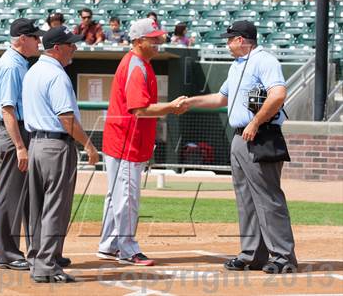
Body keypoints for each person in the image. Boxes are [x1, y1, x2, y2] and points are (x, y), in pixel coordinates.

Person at [183, 20, 298, 274]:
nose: (227, 43)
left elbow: (278, 95)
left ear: (241, 40)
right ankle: (252, 255)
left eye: (230, 39)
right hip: (240, 137)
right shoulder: (236, 66)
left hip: (261, 134)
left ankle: (283, 256)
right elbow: (220, 98)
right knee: (245, 199)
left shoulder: (264, 60)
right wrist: (190, 102)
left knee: (268, 198)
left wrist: (256, 122)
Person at [96, 18, 188, 266]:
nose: (159, 41)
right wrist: (170, 107)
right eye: (153, 38)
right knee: (126, 197)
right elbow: (139, 109)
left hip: (122, 140)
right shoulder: (136, 66)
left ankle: (109, 245)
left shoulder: (139, 63)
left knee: (117, 195)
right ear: (138, 41)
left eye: (159, 37)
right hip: (126, 141)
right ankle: (127, 250)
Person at [22, 26, 99, 283]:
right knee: (56, 207)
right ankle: (48, 265)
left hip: (35, 145)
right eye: (70, 44)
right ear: (57, 48)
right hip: (56, 147)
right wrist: (89, 145)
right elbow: (66, 119)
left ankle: (36, 259)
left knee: (37, 208)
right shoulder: (57, 75)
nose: (74, 47)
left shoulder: (33, 71)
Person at [0, 18, 45, 271]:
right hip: (15, 133)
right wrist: (20, 146)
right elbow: (8, 110)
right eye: (35, 37)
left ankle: (31, 250)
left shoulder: (20, 62)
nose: (39, 41)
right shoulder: (12, 66)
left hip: (22, 132)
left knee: (25, 194)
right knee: (11, 194)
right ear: (22, 40)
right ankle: (7, 253)